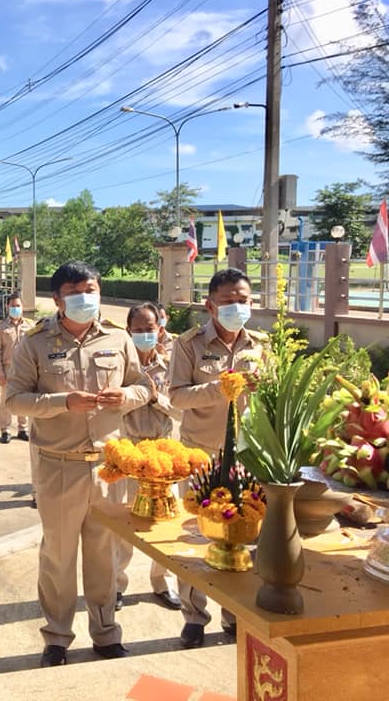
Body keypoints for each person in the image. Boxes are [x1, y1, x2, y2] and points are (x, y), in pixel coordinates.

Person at [5, 261, 152, 666]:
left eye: (91, 289)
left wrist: (126, 397)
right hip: (59, 465)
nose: (85, 298)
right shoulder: (33, 343)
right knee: (58, 556)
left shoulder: (119, 339)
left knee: (104, 555)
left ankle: (106, 633)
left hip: (108, 465)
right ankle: (56, 637)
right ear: (57, 299)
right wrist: (61, 403)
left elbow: (143, 386)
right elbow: (14, 400)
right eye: (75, 291)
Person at [169, 268, 264, 649]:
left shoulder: (261, 345)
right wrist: (217, 389)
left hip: (246, 456)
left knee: (242, 537)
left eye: (243, 300)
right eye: (228, 301)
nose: (237, 307)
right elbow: (176, 396)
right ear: (210, 305)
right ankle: (194, 616)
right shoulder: (188, 344)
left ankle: (234, 612)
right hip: (201, 456)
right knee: (194, 538)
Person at [110, 302, 181, 611]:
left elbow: (181, 410)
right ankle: (116, 586)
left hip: (163, 453)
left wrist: (157, 399)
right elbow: (111, 406)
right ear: (128, 332)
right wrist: (138, 397)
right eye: (137, 330)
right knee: (124, 523)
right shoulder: (120, 368)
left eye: (149, 329)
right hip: (128, 452)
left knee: (165, 523)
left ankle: (161, 582)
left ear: (159, 330)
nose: (143, 335)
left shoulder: (170, 367)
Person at [0, 293, 33, 444]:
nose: (15, 308)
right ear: (7, 306)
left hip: (26, 369)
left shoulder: (31, 326)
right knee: (5, 401)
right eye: (12, 305)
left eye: (18, 306)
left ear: (22, 307)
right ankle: (5, 430)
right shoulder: (0, 328)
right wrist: (0, 372)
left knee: (24, 399)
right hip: (8, 369)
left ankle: (23, 429)